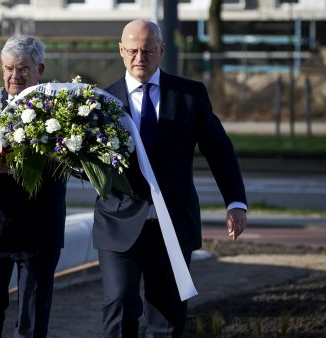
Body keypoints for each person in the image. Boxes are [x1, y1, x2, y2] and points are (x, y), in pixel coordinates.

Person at [94, 19, 248, 337]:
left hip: (174, 224)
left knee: (167, 319)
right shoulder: (99, 103)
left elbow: (219, 149)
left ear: (162, 50)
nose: (140, 58)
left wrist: (235, 200)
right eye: (133, 50)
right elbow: (87, 164)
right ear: (121, 51)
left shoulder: (189, 95)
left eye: (149, 50)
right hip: (118, 223)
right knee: (119, 304)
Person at [0, 35, 67, 338]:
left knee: (32, 321)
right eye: (8, 68)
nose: (14, 75)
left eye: (22, 68)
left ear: (40, 69)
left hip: (38, 230)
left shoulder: (61, 107)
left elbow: (72, 159)